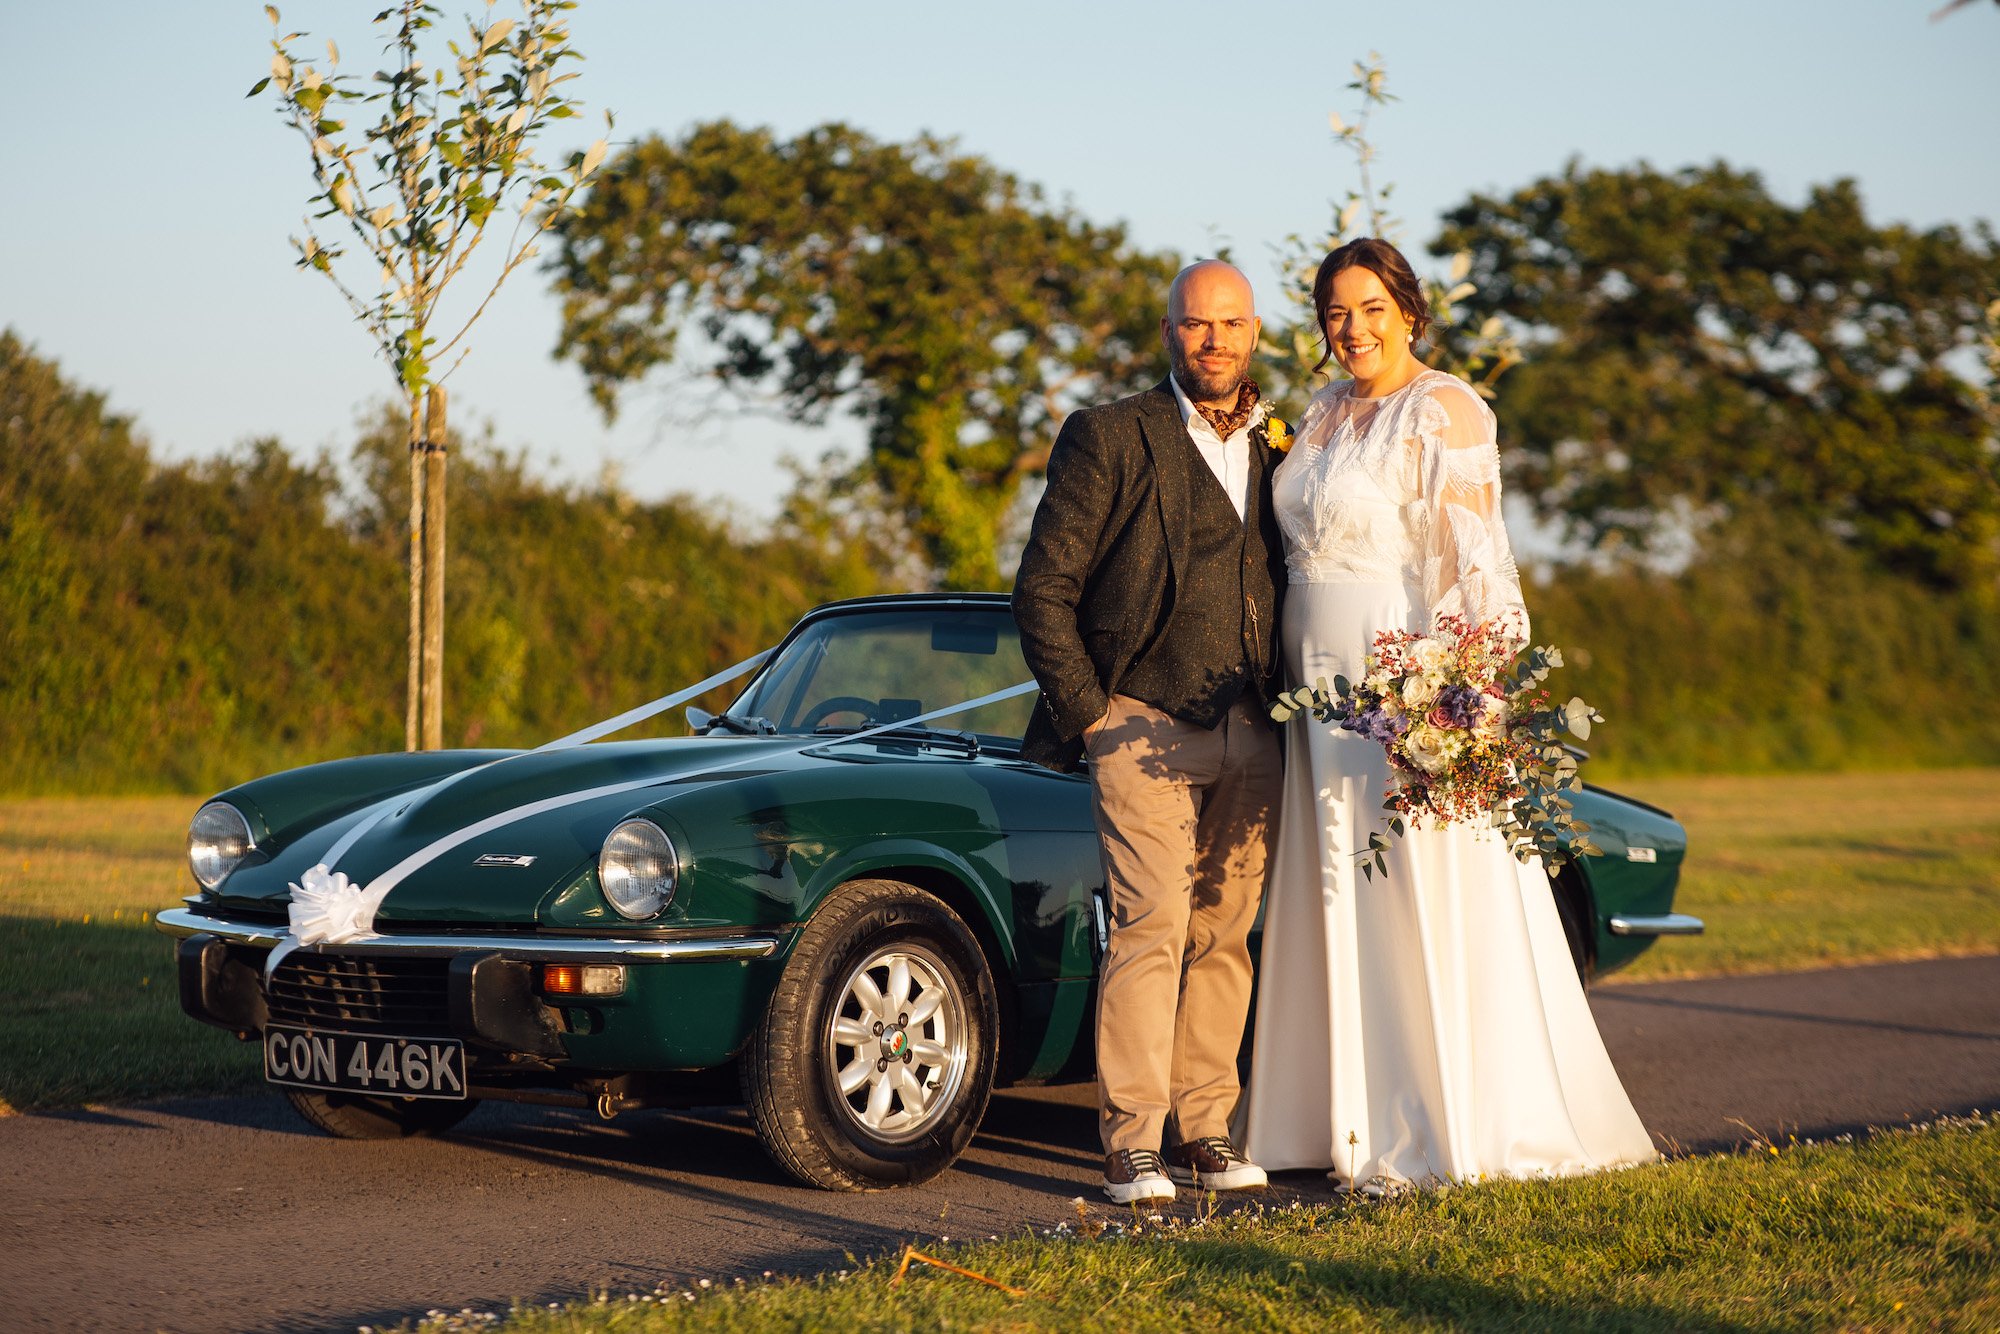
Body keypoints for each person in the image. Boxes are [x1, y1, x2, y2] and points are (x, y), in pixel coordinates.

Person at [1236, 237, 1658, 1188]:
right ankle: (1328, 1119)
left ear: (1409, 309)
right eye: (1336, 313)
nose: (1354, 329)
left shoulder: (1448, 407)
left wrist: (1461, 705)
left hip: (1398, 680)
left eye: (1372, 308)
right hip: (1310, 687)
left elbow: (1475, 566)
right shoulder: (1321, 413)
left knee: (1418, 882)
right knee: (1334, 881)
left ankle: (1447, 1119)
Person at [1014, 260, 1288, 1204]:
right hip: (1140, 723)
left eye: (1230, 324)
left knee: (1225, 933)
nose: (1213, 340)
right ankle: (1132, 1141)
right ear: (1168, 333)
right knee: (1152, 927)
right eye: (1194, 324)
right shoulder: (1108, 434)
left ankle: (1207, 1129)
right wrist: (1091, 715)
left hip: (1256, 725)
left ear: (1255, 333)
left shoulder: (1284, 445)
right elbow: (1042, 590)